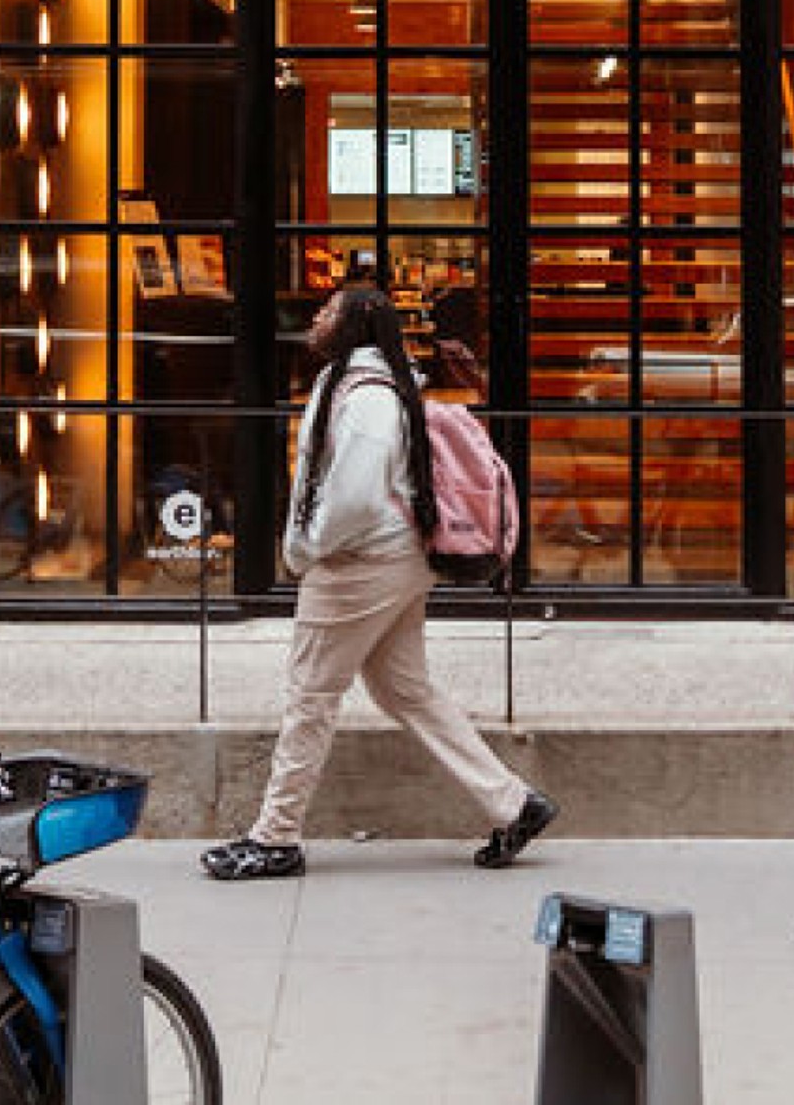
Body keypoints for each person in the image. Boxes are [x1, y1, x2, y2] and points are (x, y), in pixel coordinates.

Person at [201, 273, 553, 882]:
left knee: (311, 692)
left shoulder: (364, 395)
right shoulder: (363, 385)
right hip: (394, 558)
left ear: (353, 325)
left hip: (360, 563)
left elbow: (357, 498)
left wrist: (306, 548)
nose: (317, 317)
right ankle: (513, 804)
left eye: (329, 311)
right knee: (403, 689)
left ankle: (276, 836)